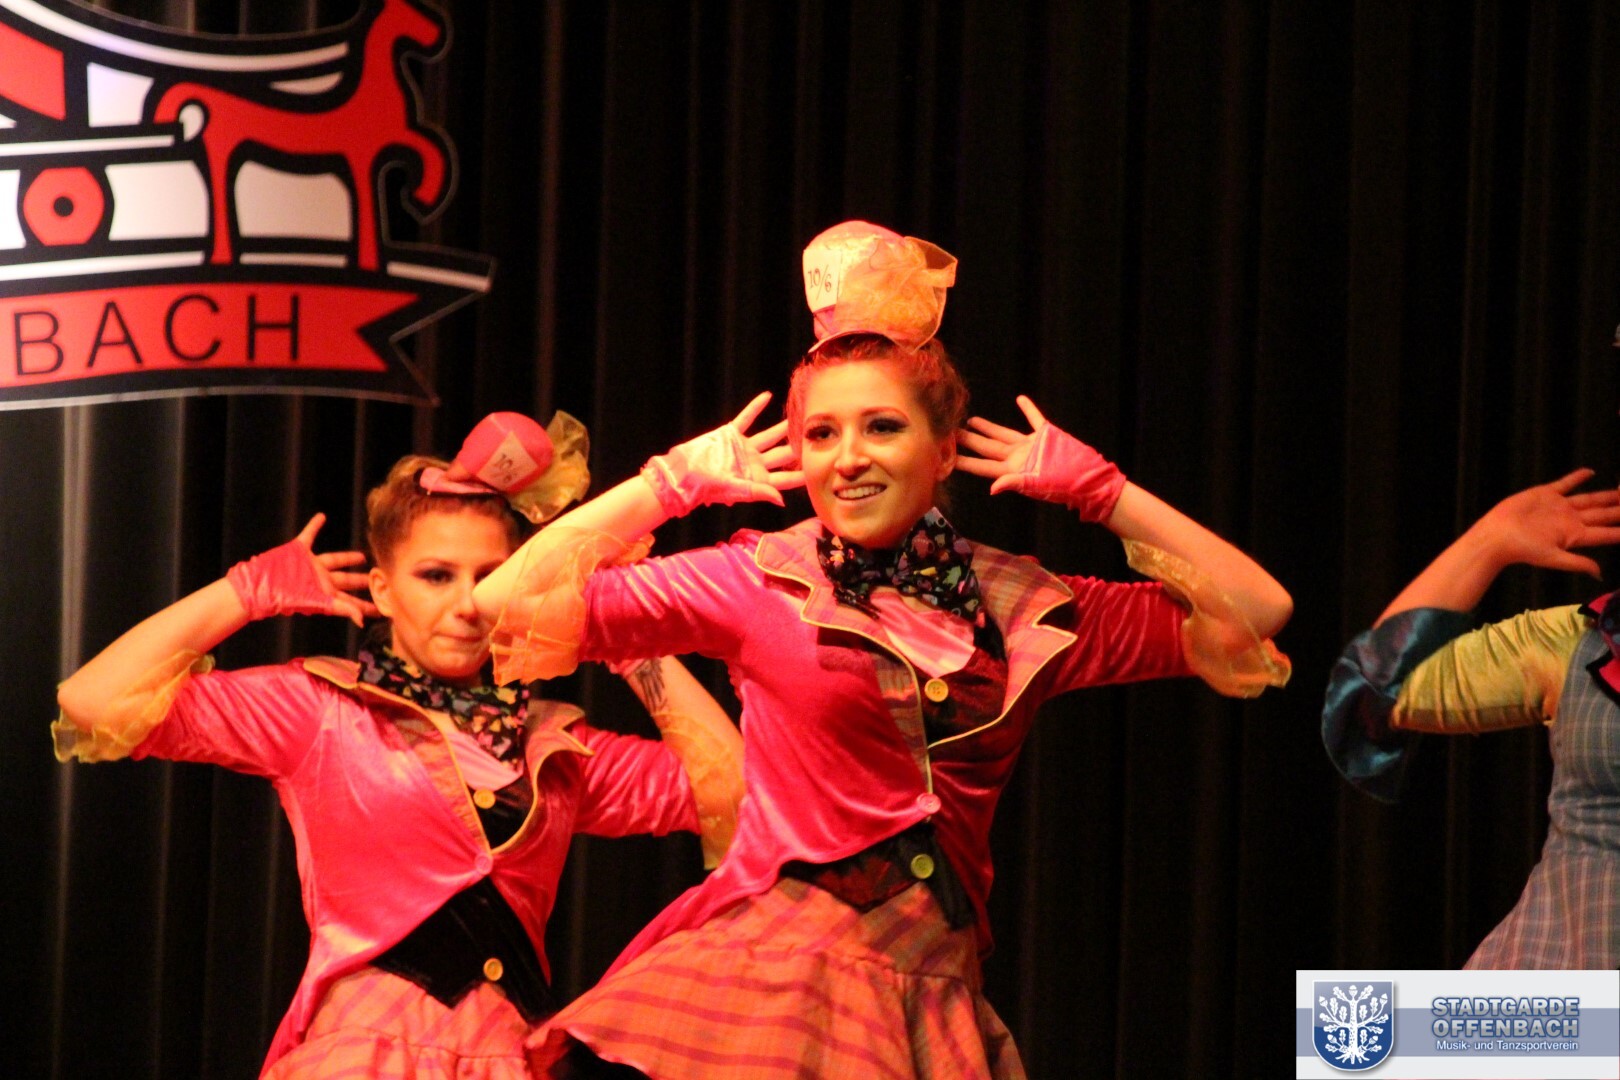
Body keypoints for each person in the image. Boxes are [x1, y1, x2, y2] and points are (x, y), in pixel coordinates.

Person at [476, 221, 1293, 1078]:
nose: (849, 459)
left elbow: (1259, 610)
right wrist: (667, 485)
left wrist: (1105, 492)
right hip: (776, 983)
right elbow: (503, 601)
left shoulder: (1028, 604)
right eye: (821, 435)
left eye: (882, 427)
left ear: (945, 450)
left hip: (929, 997)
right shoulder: (757, 578)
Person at [52, 411, 743, 1078]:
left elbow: (738, 793)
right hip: (363, 1059)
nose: (468, 604)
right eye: (436, 575)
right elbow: (94, 700)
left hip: (510, 1059)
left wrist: (620, 632)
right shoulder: (322, 709)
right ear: (383, 590)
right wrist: (247, 592)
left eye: (490, 576)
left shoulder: (555, 743)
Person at [1322, 468, 1620, 967]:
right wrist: (1489, 543)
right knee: (1348, 1015)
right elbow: (1370, 695)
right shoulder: (1578, 642)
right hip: (1553, 990)